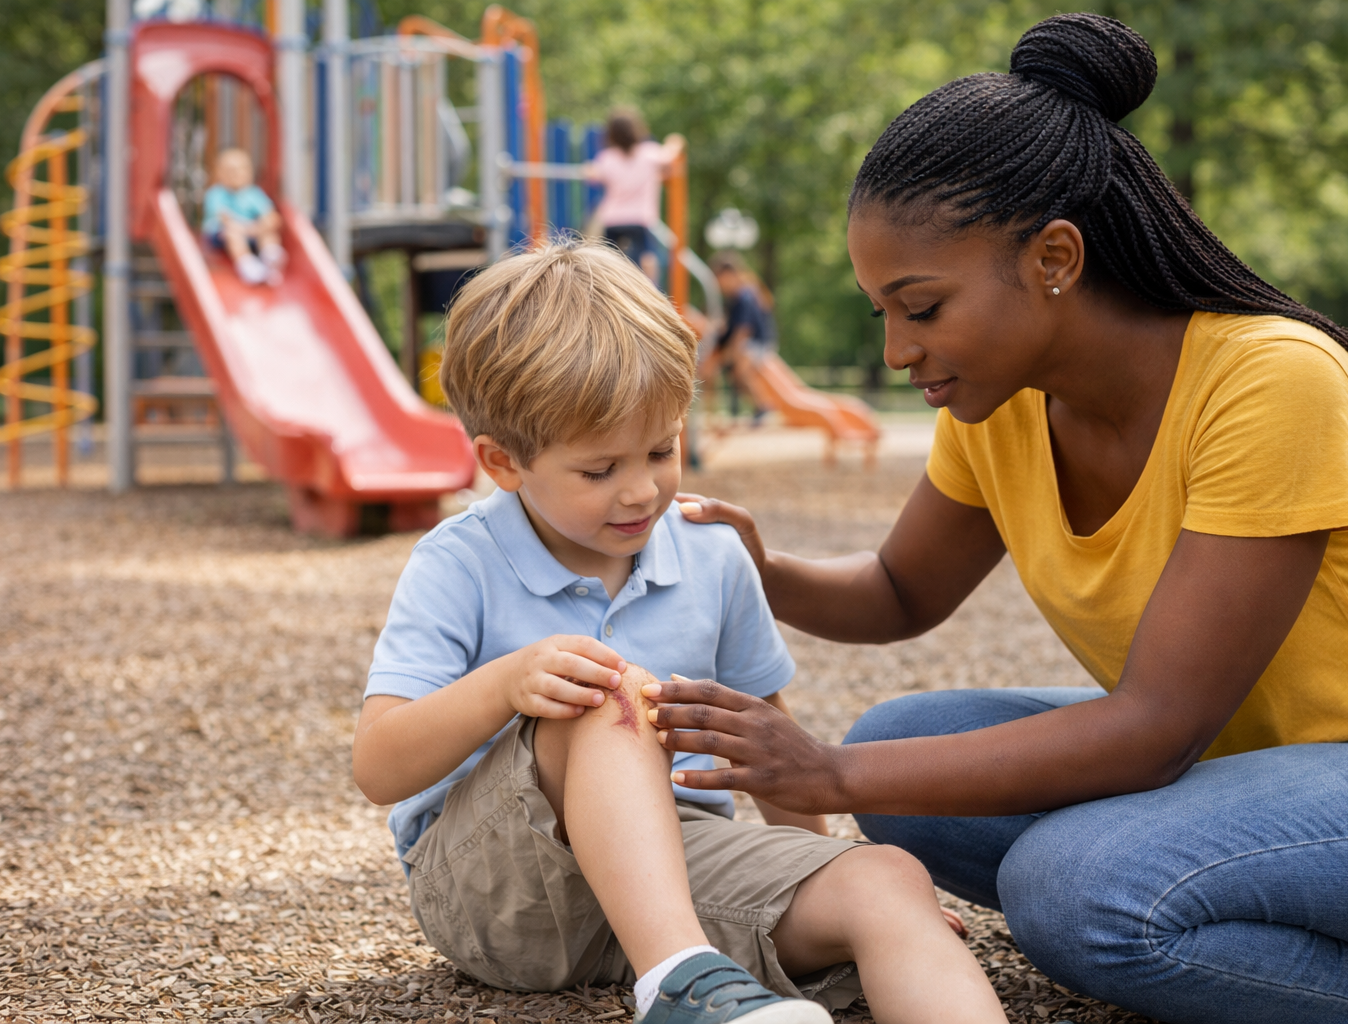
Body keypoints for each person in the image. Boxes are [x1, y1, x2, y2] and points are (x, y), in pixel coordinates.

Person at [650, 14, 1348, 1024]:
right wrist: (761, 564)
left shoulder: (1270, 381)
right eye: (882, 312)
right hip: (1255, 776)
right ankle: (1202, 908)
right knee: (903, 751)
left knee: (1076, 888)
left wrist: (825, 768)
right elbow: (899, 591)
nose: (895, 351)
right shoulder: (1001, 400)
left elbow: (1154, 730)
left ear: (1055, 255)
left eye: (921, 308)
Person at [350, 241, 1006, 1024]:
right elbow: (380, 767)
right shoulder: (459, 562)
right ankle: (679, 987)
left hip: (677, 870)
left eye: (662, 449)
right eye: (599, 471)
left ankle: (699, 969)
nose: (641, 490)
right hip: (500, 888)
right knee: (608, 688)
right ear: (503, 463)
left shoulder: (710, 552)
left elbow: (763, 742)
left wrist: (825, 867)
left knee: (887, 879)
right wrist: (503, 685)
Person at [585, 108, 683, 283]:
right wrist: (675, 141)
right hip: (639, 219)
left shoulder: (607, 158)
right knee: (646, 260)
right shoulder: (649, 153)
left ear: (611, 135)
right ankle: (650, 292)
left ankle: (610, 290)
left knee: (609, 263)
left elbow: (592, 175)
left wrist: (588, 169)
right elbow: (670, 155)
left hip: (613, 219)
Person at [703, 251, 777, 421]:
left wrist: (729, 355)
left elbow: (743, 331)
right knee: (723, 367)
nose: (718, 284)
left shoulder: (745, 296)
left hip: (757, 344)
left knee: (740, 369)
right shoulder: (736, 298)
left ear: (729, 275)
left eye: (719, 278)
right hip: (750, 343)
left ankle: (763, 406)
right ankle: (715, 413)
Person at [202, 147, 285, 286]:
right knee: (232, 234)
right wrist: (247, 229)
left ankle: (270, 258)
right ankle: (247, 265)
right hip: (221, 235)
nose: (237, 174)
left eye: (242, 169)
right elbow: (224, 220)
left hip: (250, 231)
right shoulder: (216, 194)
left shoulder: (253, 193)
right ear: (219, 174)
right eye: (230, 171)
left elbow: (271, 215)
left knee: (268, 233)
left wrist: (263, 225)